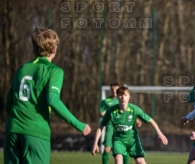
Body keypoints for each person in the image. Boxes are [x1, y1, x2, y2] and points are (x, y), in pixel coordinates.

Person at [4, 26, 91, 164]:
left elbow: (8, 103)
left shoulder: (22, 68)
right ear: (54, 49)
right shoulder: (54, 71)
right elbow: (52, 100)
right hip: (35, 133)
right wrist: (78, 124)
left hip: (12, 131)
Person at [92, 86, 168, 164]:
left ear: (129, 97)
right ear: (117, 97)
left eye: (125, 95)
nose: (123, 97)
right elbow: (100, 126)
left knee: (141, 162)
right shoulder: (111, 111)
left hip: (133, 140)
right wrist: (95, 143)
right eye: (120, 95)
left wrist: (160, 134)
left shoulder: (134, 109)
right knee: (118, 161)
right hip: (118, 140)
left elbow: (151, 121)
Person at [99, 82, 142, 164]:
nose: (114, 91)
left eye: (116, 89)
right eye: (112, 89)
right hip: (110, 126)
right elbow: (100, 113)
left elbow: (129, 113)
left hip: (122, 126)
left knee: (124, 149)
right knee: (107, 148)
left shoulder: (123, 100)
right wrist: (111, 116)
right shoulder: (106, 101)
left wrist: (136, 120)